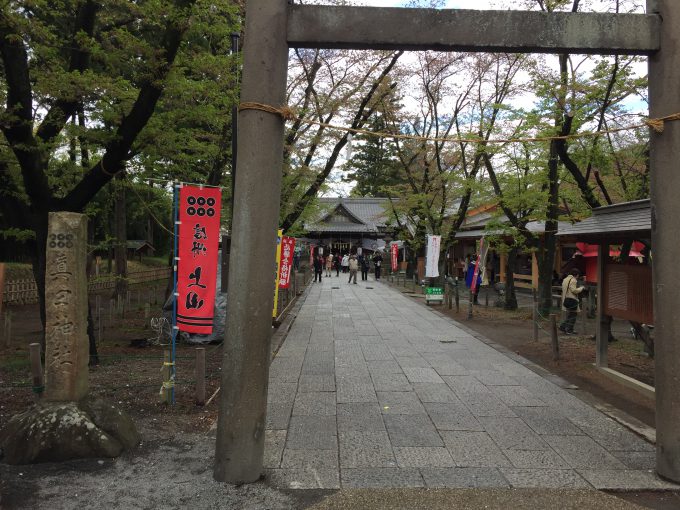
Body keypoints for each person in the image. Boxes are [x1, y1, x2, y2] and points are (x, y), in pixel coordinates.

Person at [559, 268, 585, 334]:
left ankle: (564, 327)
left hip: (566, 299)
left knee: (570, 314)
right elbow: (574, 290)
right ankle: (569, 329)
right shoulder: (573, 280)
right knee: (573, 315)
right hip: (572, 300)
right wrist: (581, 288)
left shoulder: (565, 279)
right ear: (576, 275)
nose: (578, 277)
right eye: (578, 275)